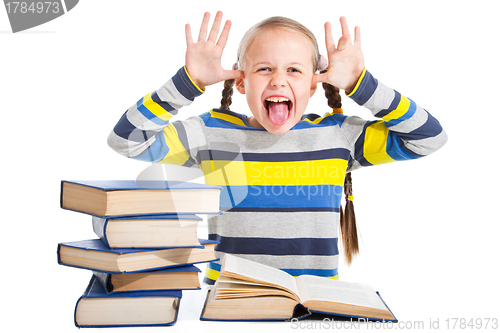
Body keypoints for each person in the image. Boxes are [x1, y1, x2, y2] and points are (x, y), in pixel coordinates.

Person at [108, 11, 447, 284]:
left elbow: (429, 138)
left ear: (314, 83)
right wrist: (187, 83)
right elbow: (126, 141)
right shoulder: (210, 132)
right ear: (241, 81)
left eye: (294, 70)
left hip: (312, 303)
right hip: (228, 302)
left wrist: (362, 84)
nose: (278, 80)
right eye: (264, 68)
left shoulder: (337, 135)